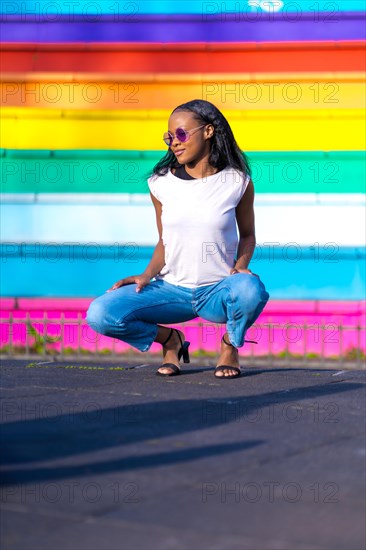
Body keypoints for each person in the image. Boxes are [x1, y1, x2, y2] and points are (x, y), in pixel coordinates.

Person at [86, 99, 270, 379]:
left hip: (217, 290)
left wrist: (241, 265)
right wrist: (146, 274)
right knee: (101, 313)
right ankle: (170, 340)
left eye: (181, 134)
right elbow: (165, 240)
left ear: (208, 131)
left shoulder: (237, 182)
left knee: (250, 289)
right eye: (169, 137)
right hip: (171, 291)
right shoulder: (160, 184)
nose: (174, 142)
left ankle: (230, 345)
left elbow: (248, 235)